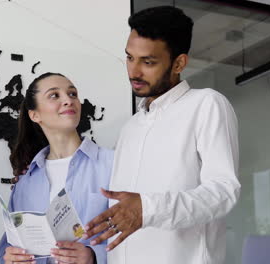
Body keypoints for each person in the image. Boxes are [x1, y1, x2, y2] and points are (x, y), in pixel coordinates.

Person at [83, 6, 240, 264]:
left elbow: (223, 192)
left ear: (179, 63)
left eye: (148, 62)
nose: (134, 72)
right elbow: (124, 212)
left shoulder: (206, 105)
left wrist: (148, 209)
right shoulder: (130, 128)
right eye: (129, 57)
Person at [0, 73, 114, 264]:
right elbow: (5, 251)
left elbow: (138, 233)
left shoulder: (113, 164)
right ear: (35, 115)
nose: (68, 100)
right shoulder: (25, 182)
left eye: (72, 94)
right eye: (54, 95)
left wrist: (93, 256)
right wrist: (10, 259)